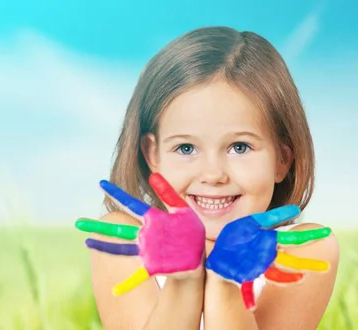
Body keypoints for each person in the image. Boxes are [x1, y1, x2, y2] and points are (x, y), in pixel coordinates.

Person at [86, 26, 340, 329]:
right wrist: (184, 281)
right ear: (152, 155)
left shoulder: (304, 250)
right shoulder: (125, 240)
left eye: (239, 147)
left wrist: (224, 284)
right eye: (186, 147)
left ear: (282, 159)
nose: (213, 174)